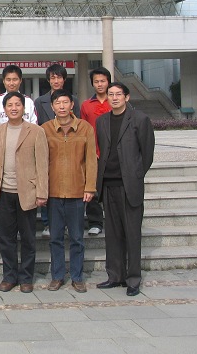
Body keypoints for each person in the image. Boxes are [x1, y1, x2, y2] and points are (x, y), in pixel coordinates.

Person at [96, 82, 154, 297]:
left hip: (129, 185)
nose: (114, 98)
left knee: (132, 234)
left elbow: (147, 154)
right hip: (108, 184)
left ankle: (133, 279)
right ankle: (115, 276)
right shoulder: (102, 121)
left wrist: (135, 174)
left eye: (118, 94)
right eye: (110, 94)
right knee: (112, 234)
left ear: (127, 97)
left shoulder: (140, 119)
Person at [0, 92, 48, 293]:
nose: (14, 108)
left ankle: (26, 277)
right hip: (4, 191)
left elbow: (42, 164)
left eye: (17, 104)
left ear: (24, 108)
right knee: (6, 238)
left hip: (27, 192)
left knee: (27, 238)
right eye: (10, 105)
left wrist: (42, 192)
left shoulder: (36, 131)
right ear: (4, 109)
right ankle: (9, 276)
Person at [42, 89, 96, 294]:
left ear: (72, 105)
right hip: (53, 192)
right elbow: (41, 162)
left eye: (65, 102)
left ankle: (77, 276)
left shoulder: (85, 128)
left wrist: (90, 186)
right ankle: (57, 276)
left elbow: (91, 160)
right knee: (55, 237)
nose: (62, 106)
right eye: (58, 103)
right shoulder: (45, 129)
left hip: (77, 191)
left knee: (76, 238)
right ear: (52, 106)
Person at [0, 64, 37, 238]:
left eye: (15, 79)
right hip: (4, 151)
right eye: (8, 79)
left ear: (20, 81)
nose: (11, 83)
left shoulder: (29, 102)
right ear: (3, 81)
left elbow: (34, 126)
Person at [34, 63, 79, 238]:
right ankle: (47, 223)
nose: (56, 80)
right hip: (47, 147)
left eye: (59, 77)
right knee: (48, 185)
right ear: (48, 80)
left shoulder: (73, 100)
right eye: (52, 77)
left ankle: (68, 224)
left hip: (68, 148)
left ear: (64, 79)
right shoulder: (40, 102)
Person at [79, 66, 112, 236]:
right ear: (92, 84)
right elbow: (83, 130)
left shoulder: (115, 101)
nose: (100, 84)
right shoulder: (86, 105)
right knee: (93, 187)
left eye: (103, 81)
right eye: (96, 81)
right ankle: (95, 222)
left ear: (108, 82)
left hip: (113, 154)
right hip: (94, 153)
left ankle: (114, 221)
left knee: (112, 189)